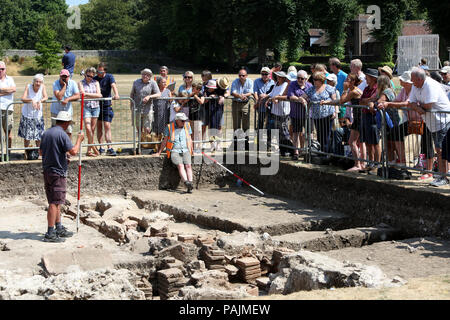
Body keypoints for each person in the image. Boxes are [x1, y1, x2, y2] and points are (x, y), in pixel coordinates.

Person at [39, 111, 84, 242]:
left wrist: (62, 157)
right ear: (65, 123)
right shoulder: (62, 135)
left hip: (47, 171)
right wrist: (79, 140)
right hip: (57, 173)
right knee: (54, 203)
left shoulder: (46, 133)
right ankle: (50, 232)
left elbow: (41, 152)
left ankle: (58, 227)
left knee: (56, 202)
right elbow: (74, 151)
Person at [408, 67, 450, 187]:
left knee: (441, 150)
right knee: (440, 149)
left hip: (443, 121)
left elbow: (428, 105)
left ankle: (444, 176)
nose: (412, 82)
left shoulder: (430, 85)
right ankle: (443, 174)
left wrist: (418, 106)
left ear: (420, 79)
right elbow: (411, 102)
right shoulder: (416, 86)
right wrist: (418, 107)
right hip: (432, 122)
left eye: (413, 79)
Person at [378, 71, 415, 170]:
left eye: (402, 79)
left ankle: (404, 162)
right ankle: (401, 161)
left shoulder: (414, 90)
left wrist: (387, 104)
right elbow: (396, 101)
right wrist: (387, 103)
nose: (400, 80)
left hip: (421, 121)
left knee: (426, 143)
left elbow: (406, 103)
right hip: (410, 120)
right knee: (396, 132)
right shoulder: (403, 90)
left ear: (407, 82)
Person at [156, 113, 194, 193]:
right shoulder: (169, 127)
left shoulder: (187, 126)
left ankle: (190, 183)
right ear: (177, 120)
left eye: (184, 120)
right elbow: (165, 141)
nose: (184, 122)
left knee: (188, 165)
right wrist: (159, 152)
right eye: (182, 121)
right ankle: (186, 182)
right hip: (175, 150)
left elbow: (189, 138)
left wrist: (192, 149)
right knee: (180, 165)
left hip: (186, 149)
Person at [367, 75, 398, 174]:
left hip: (391, 120)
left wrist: (372, 103)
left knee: (391, 143)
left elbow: (379, 101)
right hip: (387, 119)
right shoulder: (382, 92)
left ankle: (393, 164)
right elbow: (372, 100)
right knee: (388, 143)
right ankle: (390, 164)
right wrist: (371, 102)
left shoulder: (387, 92)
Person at [300, 71, 337, 153]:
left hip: (328, 115)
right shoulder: (311, 89)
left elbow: (335, 101)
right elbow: (302, 97)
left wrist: (335, 112)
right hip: (316, 116)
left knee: (327, 135)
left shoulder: (329, 88)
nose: (314, 81)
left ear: (321, 80)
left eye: (316, 79)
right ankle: (322, 153)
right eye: (313, 79)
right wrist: (303, 100)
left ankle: (328, 153)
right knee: (320, 135)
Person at [337, 73, 364, 171]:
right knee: (359, 142)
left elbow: (341, 101)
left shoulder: (353, 92)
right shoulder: (354, 90)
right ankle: (361, 164)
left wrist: (344, 89)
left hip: (358, 119)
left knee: (352, 142)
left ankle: (358, 164)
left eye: (347, 80)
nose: (345, 81)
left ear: (352, 82)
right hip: (359, 118)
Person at [19, 74, 48, 159]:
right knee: (27, 136)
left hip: (38, 115)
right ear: (33, 81)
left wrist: (40, 101)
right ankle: (26, 153)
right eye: (36, 81)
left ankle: (39, 153)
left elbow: (45, 96)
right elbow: (23, 98)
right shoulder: (28, 86)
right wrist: (31, 100)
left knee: (38, 136)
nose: (38, 83)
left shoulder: (43, 87)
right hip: (27, 115)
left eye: (40, 82)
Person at [94, 62, 120, 156]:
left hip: (106, 105)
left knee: (107, 126)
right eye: (97, 71)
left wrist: (116, 94)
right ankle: (101, 147)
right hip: (97, 105)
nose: (98, 73)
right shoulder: (95, 78)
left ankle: (109, 147)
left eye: (100, 71)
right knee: (99, 126)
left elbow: (113, 85)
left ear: (104, 70)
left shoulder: (109, 77)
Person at [130, 68, 161, 143]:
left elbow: (158, 94)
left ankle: (146, 143)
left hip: (148, 109)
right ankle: (140, 144)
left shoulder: (153, 83)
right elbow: (132, 94)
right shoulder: (136, 82)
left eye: (147, 74)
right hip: (137, 109)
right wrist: (131, 106)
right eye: (143, 74)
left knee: (147, 128)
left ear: (150, 76)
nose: (145, 76)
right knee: (138, 128)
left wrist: (149, 96)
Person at [359, 68, 380, 174]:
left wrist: (366, 101)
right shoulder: (367, 89)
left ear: (372, 78)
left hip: (373, 117)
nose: (365, 78)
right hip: (365, 115)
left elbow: (373, 99)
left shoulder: (377, 89)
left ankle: (377, 163)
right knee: (368, 142)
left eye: (367, 77)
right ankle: (370, 162)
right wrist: (367, 101)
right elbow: (361, 101)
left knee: (375, 142)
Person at [287, 70, 312, 159]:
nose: (300, 80)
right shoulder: (293, 84)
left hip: (308, 114)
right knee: (296, 133)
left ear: (306, 79)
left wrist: (306, 100)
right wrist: (300, 99)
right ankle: (296, 152)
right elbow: (291, 96)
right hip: (296, 114)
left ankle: (309, 151)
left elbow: (312, 96)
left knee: (309, 133)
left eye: (302, 78)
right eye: (298, 78)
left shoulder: (310, 86)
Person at [265, 71, 291, 155]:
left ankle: (286, 149)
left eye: (280, 77)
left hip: (283, 112)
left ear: (283, 78)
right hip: (275, 112)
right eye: (278, 76)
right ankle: (281, 149)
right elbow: (272, 94)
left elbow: (279, 96)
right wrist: (267, 98)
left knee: (284, 131)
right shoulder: (276, 84)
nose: (278, 78)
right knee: (278, 131)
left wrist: (273, 98)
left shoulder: (285, 85)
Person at [78, 67, 102, 157]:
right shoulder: (80, 83)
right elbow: (81, 95)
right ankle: (93, 147)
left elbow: (99, 95)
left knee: (92, 129)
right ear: (85, 74)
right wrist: (92, 95)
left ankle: (89, 150)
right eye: (88, 76)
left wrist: (87, 94)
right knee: (88, 128)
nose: (90, 78)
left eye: (92, 76)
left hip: (96, 107)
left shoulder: (96, 83)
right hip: (86, 107)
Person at [51, 69, 80, 139]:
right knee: (56, 132)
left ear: (69, 76)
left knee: (68, 131)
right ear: (60, 76)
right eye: (62, 77)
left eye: (65, 77)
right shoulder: (55, 83)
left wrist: (68, 99)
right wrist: (64, 86)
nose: (64, 78)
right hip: (56, 112)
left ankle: (68, 148)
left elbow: (78, 95)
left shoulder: (73, 83)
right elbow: (59, 97)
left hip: (67, 112)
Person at [209, 77, 230, 152]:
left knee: (219, 127)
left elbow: (228, 92)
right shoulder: (212, 82)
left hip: (220, 109)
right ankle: (212, 145)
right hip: (210, 108)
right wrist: (212, 95)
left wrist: (223, 97)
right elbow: (207, 91)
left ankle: (218, 145)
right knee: (211, 127)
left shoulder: (224, 84)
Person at [231, 67, 253, 134]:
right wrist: (240, 96)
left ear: (246, 76)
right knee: (236, 124)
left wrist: (244, 95)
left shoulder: (250, 81)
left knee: (246, 124)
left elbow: (251, 92)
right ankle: (236, 141)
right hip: (236, 104)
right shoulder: (235, 81)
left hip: (245, 104)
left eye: (243, 75)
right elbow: (233, 92)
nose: (241, 77)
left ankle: (246, 141)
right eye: (240, 75)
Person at [0, 61, 16, 150]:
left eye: (2, 69)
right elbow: (10, 90)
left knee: (8, 134)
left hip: (8, 109)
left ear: (5, 69)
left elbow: (13, 89)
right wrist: (7, 91)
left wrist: (1, 90)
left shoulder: (10, 79)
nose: (1, 70)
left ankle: (8, 152)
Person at [187, 81, 205, 151]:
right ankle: (193, 146)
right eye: (192, 88)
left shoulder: (201, 94)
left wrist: (196, 96)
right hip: (191, 115)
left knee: (198, 132)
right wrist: (190, 96)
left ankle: (199, 147)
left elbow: (201, 101)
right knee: (192, 132)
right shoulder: (191, 94)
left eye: (193, 88)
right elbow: (185, 100)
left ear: (198, 89)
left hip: (198, 116)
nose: (192, 89)